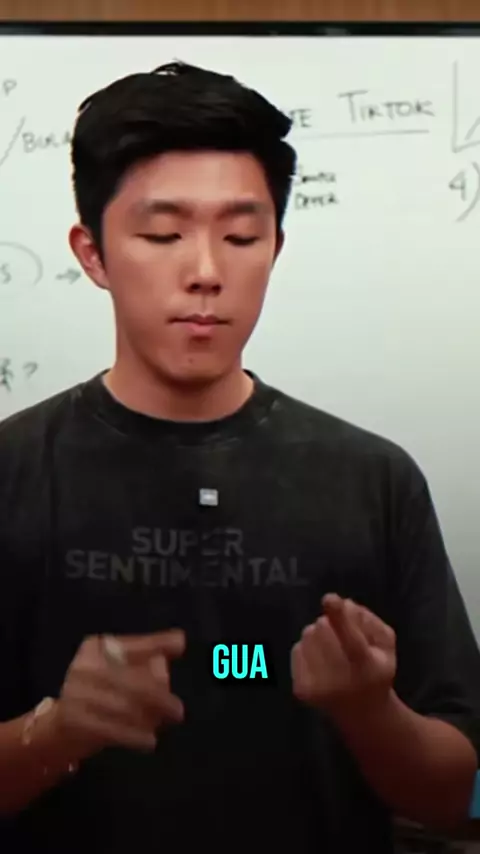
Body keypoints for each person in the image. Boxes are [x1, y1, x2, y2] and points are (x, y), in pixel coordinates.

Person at [0, 60, 479, 854]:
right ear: (93, 253)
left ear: (276, 247)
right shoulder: (15, 472)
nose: (206, 273)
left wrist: (370, 712)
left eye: (241, 237)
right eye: (162, 235)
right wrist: (56, 732)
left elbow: (459, 794)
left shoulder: (372, 480)